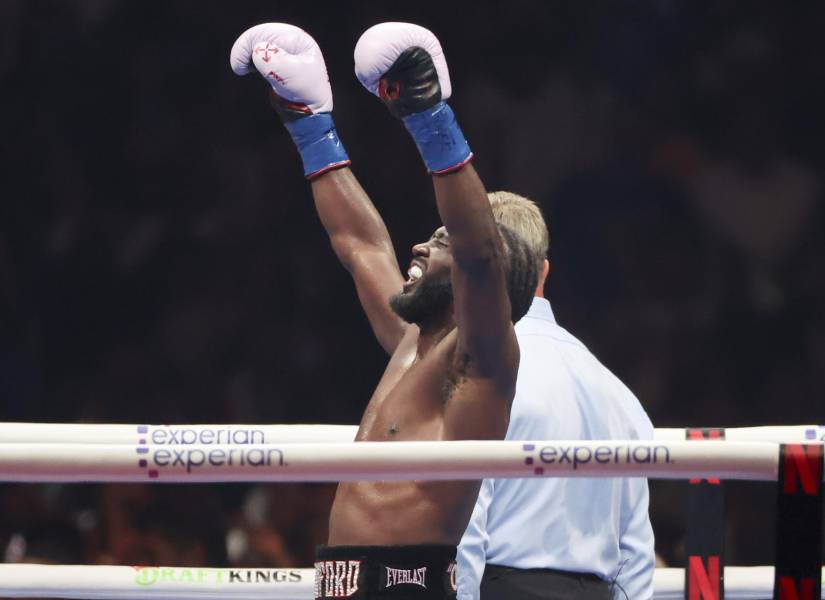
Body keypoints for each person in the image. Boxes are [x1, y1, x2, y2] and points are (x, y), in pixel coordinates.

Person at [231, 21, 538, 600]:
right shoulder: (409, 339)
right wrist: (308, 123)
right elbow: (359, 243)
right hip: (345, 584)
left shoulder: (480, 367)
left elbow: (479, 257)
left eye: (440, 242)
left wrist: (430, 117)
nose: (420, 247)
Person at [456, 193, 656, 600]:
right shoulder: (615, 391)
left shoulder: (483, 374)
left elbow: (466, 528)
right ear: (544, 269)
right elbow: (635, 553)